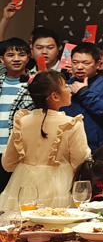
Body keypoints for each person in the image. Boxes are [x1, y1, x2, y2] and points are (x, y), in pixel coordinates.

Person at [0, 71, 91, 208]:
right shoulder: (71, 124)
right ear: (55, 96)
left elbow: (8, 163)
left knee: (25, 220)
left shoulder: (22, 122)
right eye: (65, 86)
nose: (69, 89)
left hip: (23, 185)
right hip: (60, 187)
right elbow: (80, 162)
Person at [61, 44, 103, 151]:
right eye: (75, 62)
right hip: (66, 143)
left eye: (86, 63)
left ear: (98, 64)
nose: (79, 67)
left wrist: (84, 93)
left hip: (95, 146)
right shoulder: (66, 84)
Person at [0, 39, 30, 189]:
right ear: (2, 59)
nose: (16, 59)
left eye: (22, 55)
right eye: (10, 55)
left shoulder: (35, 84)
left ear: (28, 58)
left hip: (19, 152)